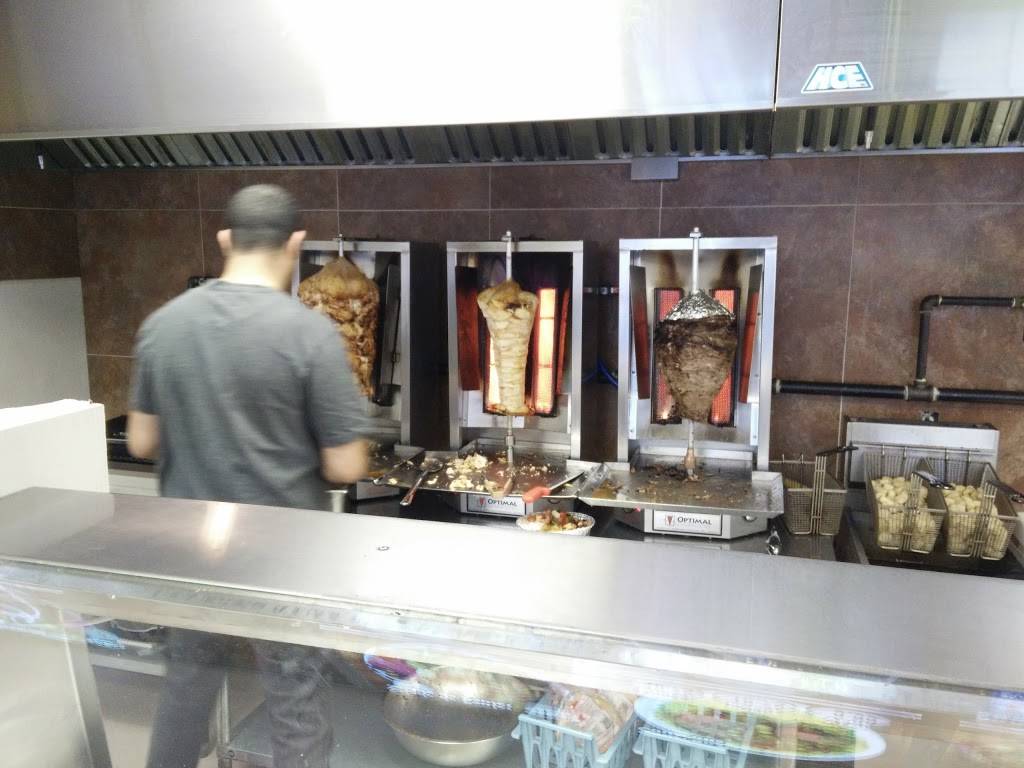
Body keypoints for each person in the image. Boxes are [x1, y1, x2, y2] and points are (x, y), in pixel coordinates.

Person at [127, 184, 369, 768]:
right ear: (295, 243)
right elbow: (346, 465)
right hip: (280, 558)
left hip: (191, 549)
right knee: (295, 701)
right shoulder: (310, 333)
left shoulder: (164, 325)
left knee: (186, 689)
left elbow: (141, 441)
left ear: (224, 240)